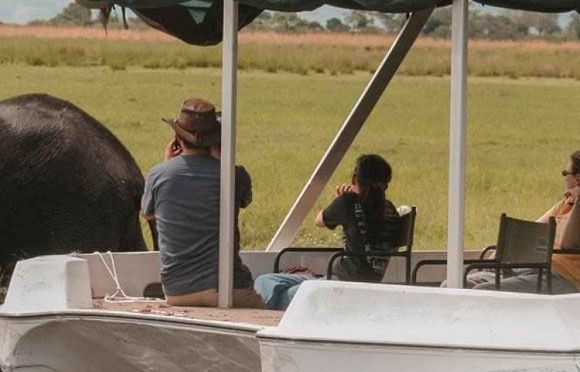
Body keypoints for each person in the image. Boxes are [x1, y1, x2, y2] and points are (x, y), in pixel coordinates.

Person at [140, 98, 261, 308]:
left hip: (178, 291)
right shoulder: (235, 175)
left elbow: (147, 213)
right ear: (216, 139)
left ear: (177, 137)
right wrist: (223, 161)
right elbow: (245, 200)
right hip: (229, 288)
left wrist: (166, 163)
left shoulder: (158, 174)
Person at [255, 154, 401, 310]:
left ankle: (278, 304)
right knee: (275, 285)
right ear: (386, 185)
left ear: (354, 179)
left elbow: (319, 221)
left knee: (266, 282)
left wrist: (340, 199)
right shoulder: (390, 209)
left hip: (338, 285)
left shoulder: (347, 201)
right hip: (363, 283)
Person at [471, 149, 580, 293]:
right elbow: (533, 230)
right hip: (534, 268)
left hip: (562, 279)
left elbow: (568, 243)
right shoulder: (567, 203)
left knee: (482, 291)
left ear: (578, 179)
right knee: (458, 283)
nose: (564, 178)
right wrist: (501, 250)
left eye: (565, 173)